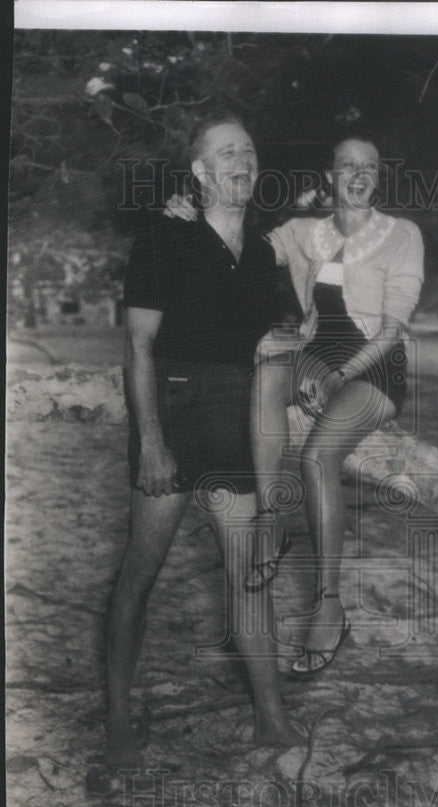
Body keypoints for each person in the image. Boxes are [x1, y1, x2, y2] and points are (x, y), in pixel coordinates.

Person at [166, 129, 424, 679]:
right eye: (346, 165)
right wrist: (193, 217)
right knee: (266, 367)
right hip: (316, 356)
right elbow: (237, 253)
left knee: (315, 457)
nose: (357, 174)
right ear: (329, 177)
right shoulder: (302, 232)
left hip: (374, 366)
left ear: (379, 177)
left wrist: (335, 374)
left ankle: (329, 605)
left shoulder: (404, 235)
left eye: (369, 166)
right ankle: (271, 521)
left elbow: (393, 331)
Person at [106, 113, 299, 769]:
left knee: (249, 580)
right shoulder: (163, 235)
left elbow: (279, 342)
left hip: (235, 420)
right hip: (174, 409)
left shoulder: (266, 253)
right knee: (140, 572)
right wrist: (153, 444)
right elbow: (136, 346)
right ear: (200, 171)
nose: (241, 159)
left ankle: (271, 719)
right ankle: (117, 719)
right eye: (226, 151)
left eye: (248, 148)